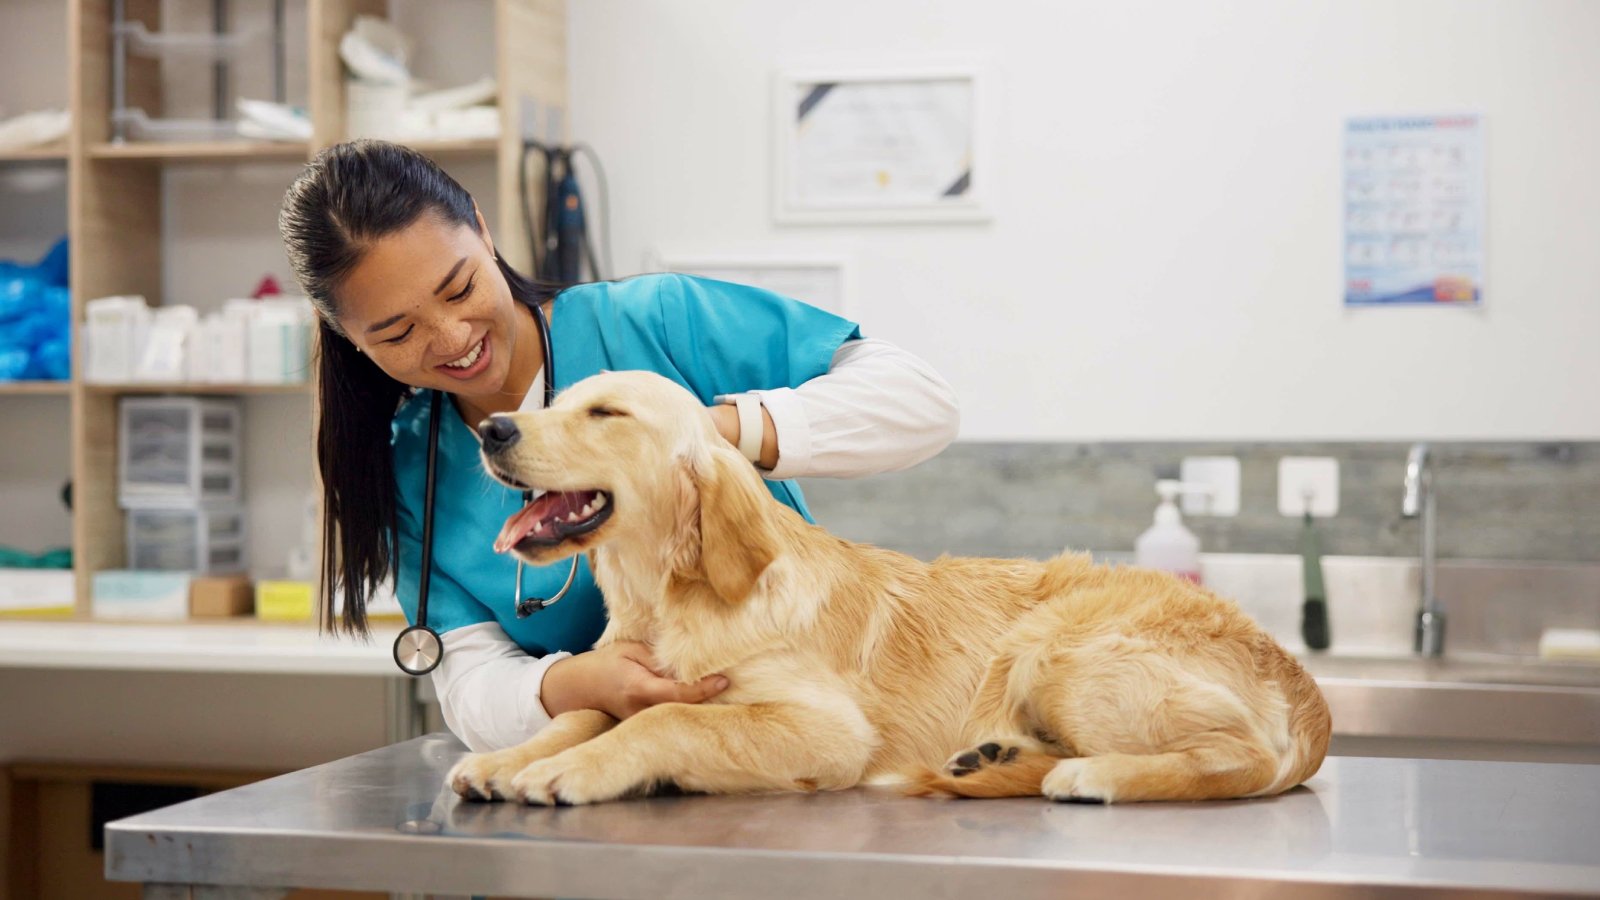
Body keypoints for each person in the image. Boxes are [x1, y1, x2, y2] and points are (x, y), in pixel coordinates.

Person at [278, 140, 959, 752]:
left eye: (459, 288)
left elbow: (921, 402)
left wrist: (702, 436)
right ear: (349, 337)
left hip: (785, 745)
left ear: (483, 232)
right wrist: (575, 684)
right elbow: (467, 681)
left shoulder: (652, 324)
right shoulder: (411, 468)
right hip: (596, 781)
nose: (453, 338)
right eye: (398, 334)